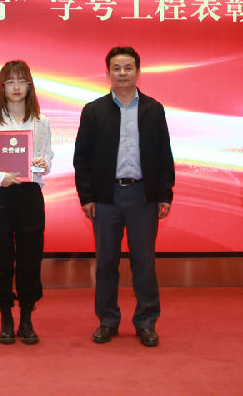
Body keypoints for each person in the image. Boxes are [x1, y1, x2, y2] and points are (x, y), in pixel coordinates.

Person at [73, 46, 175, 348]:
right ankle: (107, 320)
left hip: (143, 196)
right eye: (116, 68)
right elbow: (82, 158)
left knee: (144, 262)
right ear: (107, 73)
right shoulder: (94, 110)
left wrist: (164, 193)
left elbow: (164, 154)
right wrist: (87, 197)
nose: (122, 73)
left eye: (128, 68)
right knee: (106, 262)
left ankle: (146, 322)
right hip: (106, 197)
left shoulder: (153, 109)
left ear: (138, 72)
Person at [0, 60, 53, 345]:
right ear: (2, 87)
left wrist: (43, 164)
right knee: (2, 257)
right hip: (0, 195)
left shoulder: (41, 121)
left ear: (29, 85)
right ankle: (6, 316)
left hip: (30, 195)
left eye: (21, 81)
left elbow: (47, 158)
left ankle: (27, 318)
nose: (16, 87)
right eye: (10, 81)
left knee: (31, 258)